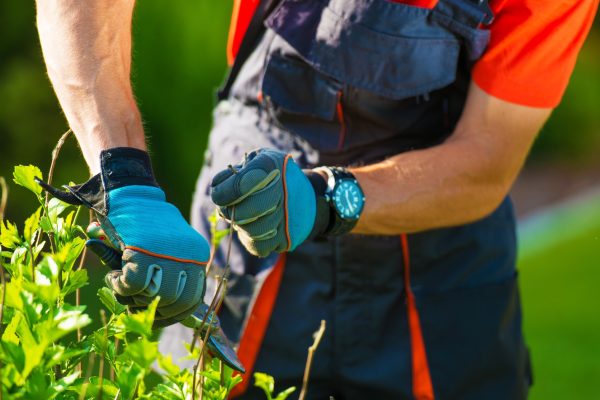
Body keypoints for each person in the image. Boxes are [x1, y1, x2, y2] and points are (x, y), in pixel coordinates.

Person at [35, 0, 597, 399]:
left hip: (439, 284)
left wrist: (331, 197)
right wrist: (125, 177)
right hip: (244, 254)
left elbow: (488, 156)